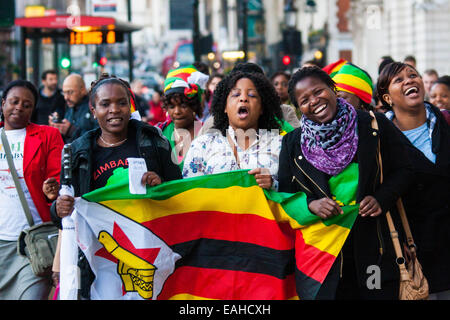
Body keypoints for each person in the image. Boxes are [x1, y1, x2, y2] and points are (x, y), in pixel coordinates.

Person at [278, 66, 413, 300]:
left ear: (333, 89)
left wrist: (382, 198)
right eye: (305, 100)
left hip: (374, 251)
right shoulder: (293, 143)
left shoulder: (373, 125)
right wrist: (311, 205)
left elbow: (406, 169)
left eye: (318, 91)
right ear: (298, 109)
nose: (314, 101)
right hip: (323, 259)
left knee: (375, 294)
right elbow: (285, 195)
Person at [50, 74, 182, 300]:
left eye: (121, 103)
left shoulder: (154, 141)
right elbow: (66, 213)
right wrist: (57, 208)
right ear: (93, 110)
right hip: (100, 259)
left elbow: (180, 197)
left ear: (129, 106)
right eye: (105, 104)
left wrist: (160, 188)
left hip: (151, 253)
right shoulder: (77, 152)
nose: (114, 109)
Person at [377, 62, 450, 299]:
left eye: (413, 75)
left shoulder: (446, 121)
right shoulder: (379, 140)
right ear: (388, 97)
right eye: (399, 80)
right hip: (415, 249)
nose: (409, 80)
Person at [0, 80, 64, 299]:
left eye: (26, 104)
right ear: (3, 104)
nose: (19, 107)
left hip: (33, 243)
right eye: (14, 101)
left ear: (33, 109)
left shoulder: (48, 136)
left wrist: (52, 188)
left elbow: (59, 177)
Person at [183, 70, 284, 191]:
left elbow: (296, 193)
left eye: (252, 95)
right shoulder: (202, 145)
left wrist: (274, 184)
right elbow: (188, 193)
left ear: (262, 108)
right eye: (236, 95)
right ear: (224, 107)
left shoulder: (281, 144)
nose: (243, 98)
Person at [158, 65, 208, 170]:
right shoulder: (159, 133)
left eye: (183, 105)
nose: (177, 112)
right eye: (171, 106)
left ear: (194, 105)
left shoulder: (208, 134)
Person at [49, 74, 98, 143]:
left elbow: (99, 138)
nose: (66, 97)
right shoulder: (70, 107)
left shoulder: (93, 107)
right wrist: (57, 128)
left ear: (83, 90)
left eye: (70, 92)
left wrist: (72, 131)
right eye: (64, 93)